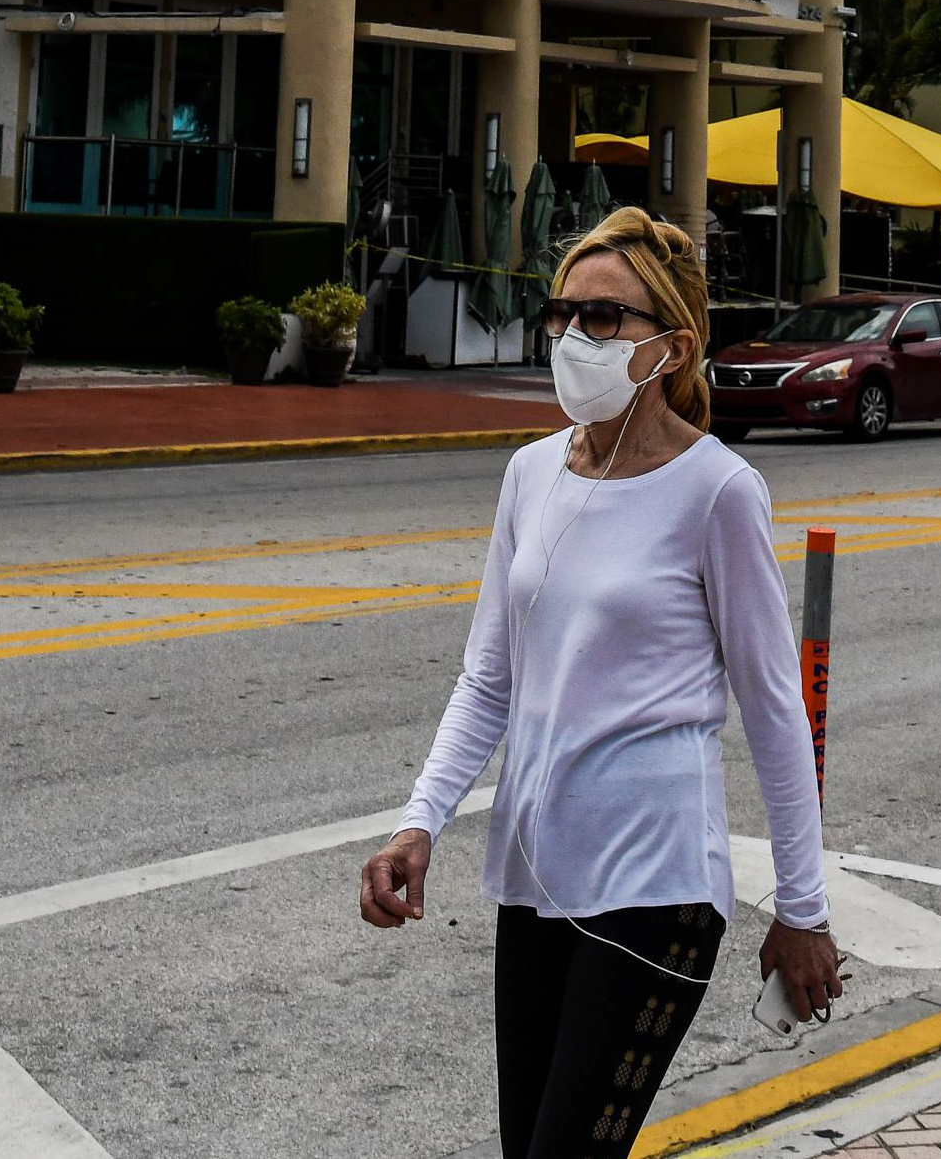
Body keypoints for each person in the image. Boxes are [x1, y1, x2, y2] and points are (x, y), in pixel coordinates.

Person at [359, 205, 841, 1159]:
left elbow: (773, 710)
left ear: (670, 345)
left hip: (655, 887)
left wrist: (802, 910)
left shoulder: (717, 490)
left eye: (602, 317)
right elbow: (488, 678)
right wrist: (419, 819)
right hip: (537, 875)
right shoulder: (531, 473)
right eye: (562, 314)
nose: (573, 335)